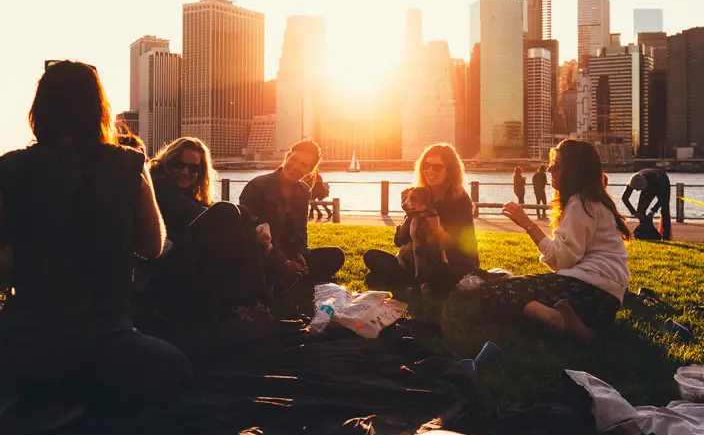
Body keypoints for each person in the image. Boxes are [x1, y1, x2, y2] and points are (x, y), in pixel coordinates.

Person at [0, 61, 191, 419]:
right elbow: (151, 247)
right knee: (176, 366)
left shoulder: (8, 168)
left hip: (23, 346)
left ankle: (43, 399)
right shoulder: (129, 164)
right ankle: (82, 398)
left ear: (39, 110)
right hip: (104, 344)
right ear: (99, 108)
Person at [469, 139, 630, 344]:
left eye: (556, 166)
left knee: (492, 292)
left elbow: (562, 260)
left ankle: (552, 318)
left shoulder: (581, 203)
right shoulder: (592, 200)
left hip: (587, 288)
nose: (550, 170)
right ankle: (577, 326)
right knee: (516, 288)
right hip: (607, 300)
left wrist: (527, 224)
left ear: (574, 170)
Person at [144, 137, 273, 322]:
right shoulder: (159, 184)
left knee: (240, 214)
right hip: (162, 267)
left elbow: (208, 211)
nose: (185, 171)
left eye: (194, 168)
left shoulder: (188, 192)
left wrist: (260, 224)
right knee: (227, 212)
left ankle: (253, 302)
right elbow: (192, 213)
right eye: (178, 165)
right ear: (167, 162)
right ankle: (246, 303)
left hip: (185, 261)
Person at [239, 140, 345, 315]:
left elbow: (300, 230)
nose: (296, 167)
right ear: (287, 156)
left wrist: (300, 254)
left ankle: (293, 278)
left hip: (288, 253)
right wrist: (284, 263)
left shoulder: (303, 190)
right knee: (266, 272)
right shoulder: (257, 186)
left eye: (304, 165)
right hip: (262, 255)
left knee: (335, 255)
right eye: (294, 159)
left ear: (309, 171)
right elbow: (250, 235)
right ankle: (284, 281)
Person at [363, 143, 479, 294]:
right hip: (417, 261)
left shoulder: (459, 200)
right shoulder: (419, 195)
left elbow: (463, 248)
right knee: (372, 256)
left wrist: (438, 232)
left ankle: (409, 284)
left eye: (437, 167)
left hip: (451, 263)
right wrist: (408, 221)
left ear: (449, 170)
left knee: (440, 276)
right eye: (426, 165)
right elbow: (398, 241)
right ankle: (414, 285)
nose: (430, 171)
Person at [622, 168, 672, 241]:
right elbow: (624, 198)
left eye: (639, 189)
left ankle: (666, 237)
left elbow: (663, 198)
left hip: (662, 180)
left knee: (665, 209)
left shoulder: (655, 182)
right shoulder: (632, 181)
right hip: (647, 180)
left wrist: (653, 211)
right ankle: (645, 233)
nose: (637, 191)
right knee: (640, 211)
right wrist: (634, 212)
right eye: (636, 189)